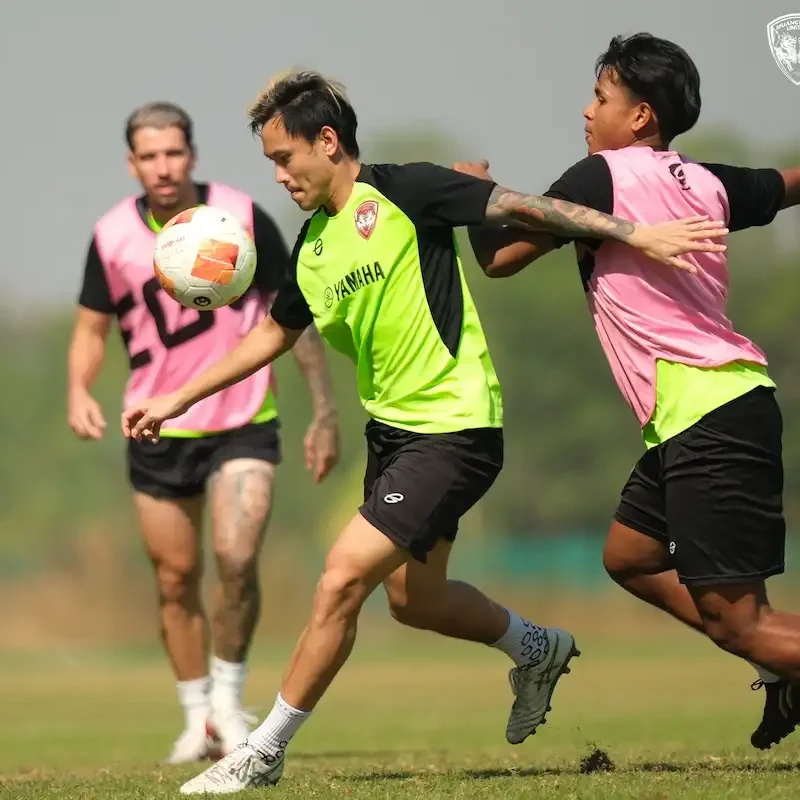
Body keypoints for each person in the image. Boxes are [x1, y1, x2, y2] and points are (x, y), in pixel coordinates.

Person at [119, 71, 727, 793]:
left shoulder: (407, 189)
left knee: (341, 578)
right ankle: (536, 648)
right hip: (396, 438)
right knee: (415, 602)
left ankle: (263, 750)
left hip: (456, 428)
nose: (279, 175)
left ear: (327, 140)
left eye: (284, 158)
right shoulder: (313, 248)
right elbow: (272, 338)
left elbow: (525, 206)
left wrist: (634, 232)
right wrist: (175, 398)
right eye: (269, 164)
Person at [456, 33, 800, 752]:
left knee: (739, 622)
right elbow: (787, 183)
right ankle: (780, 663)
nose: (587, 111)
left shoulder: (601, 175)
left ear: (640, 116)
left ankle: (774, 656)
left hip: (706, 412)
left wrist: (469, 195)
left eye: (602, 97)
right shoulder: (709, 181)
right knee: (630, 555)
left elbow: (502, 260)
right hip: (714, 409)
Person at [67, 101, 340, 764]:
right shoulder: (110, 236)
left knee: (238, 559)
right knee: (175, 577)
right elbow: (90, 330)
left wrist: (324, 411)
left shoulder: (242, 218)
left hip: (244, 420)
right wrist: (78, 389)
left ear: (192, 155)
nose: (163, 167)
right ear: (133, 163)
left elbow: (292, 318)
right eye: (149, 156)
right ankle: (196, 718)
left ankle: (228, 702)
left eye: (174, 153)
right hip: (154, 425)